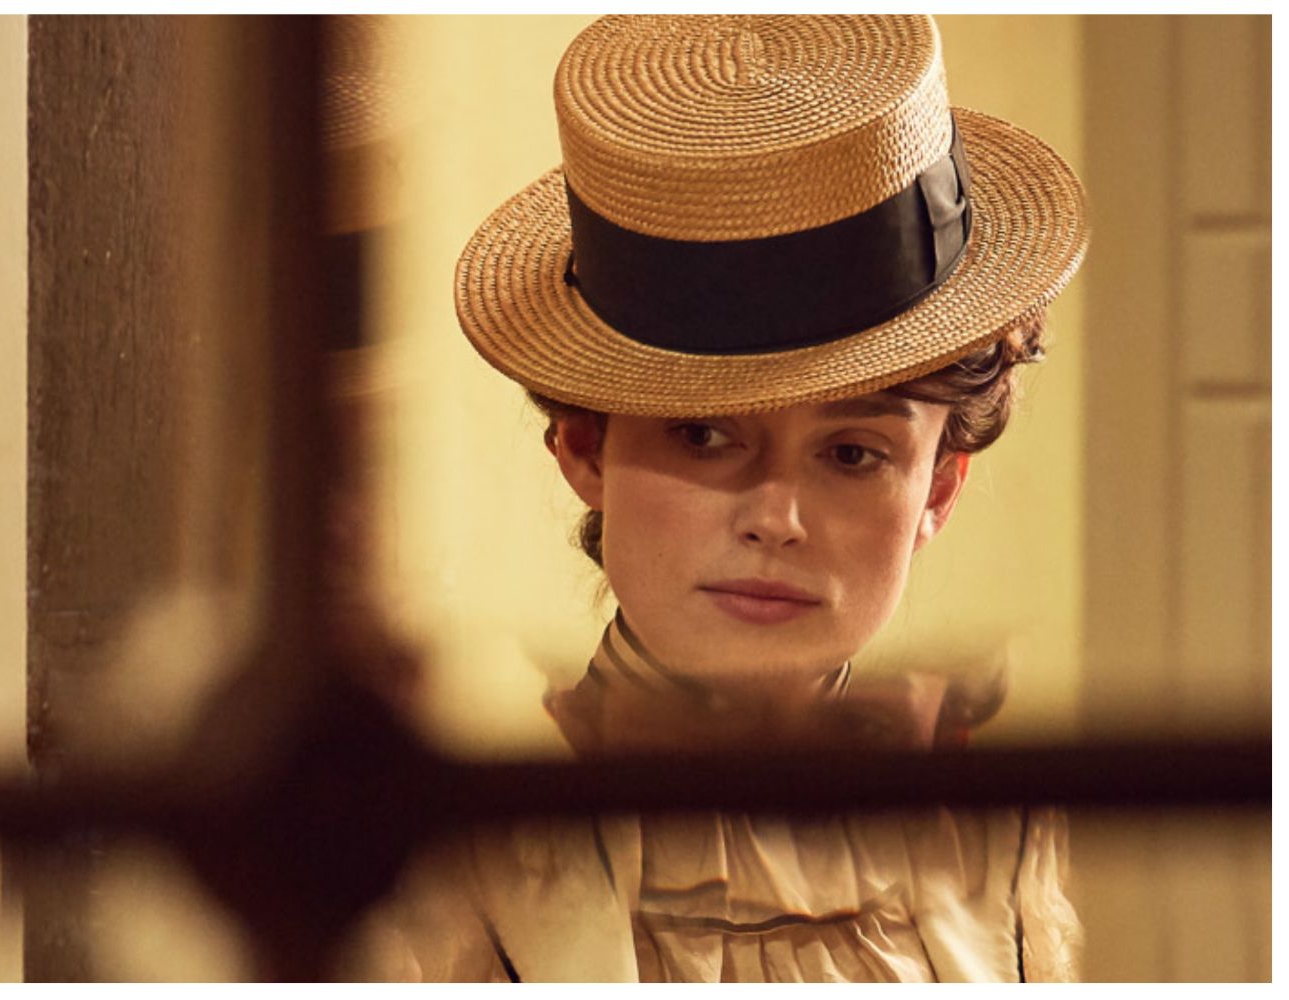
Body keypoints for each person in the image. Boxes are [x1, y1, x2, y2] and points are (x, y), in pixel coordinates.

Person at [347, 14, 1087, 982]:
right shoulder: (446, 845)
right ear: (582, 445)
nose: (775, 517)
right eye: (702, 435)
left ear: (938, 484)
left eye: (853, 452)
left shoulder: (995, 832)